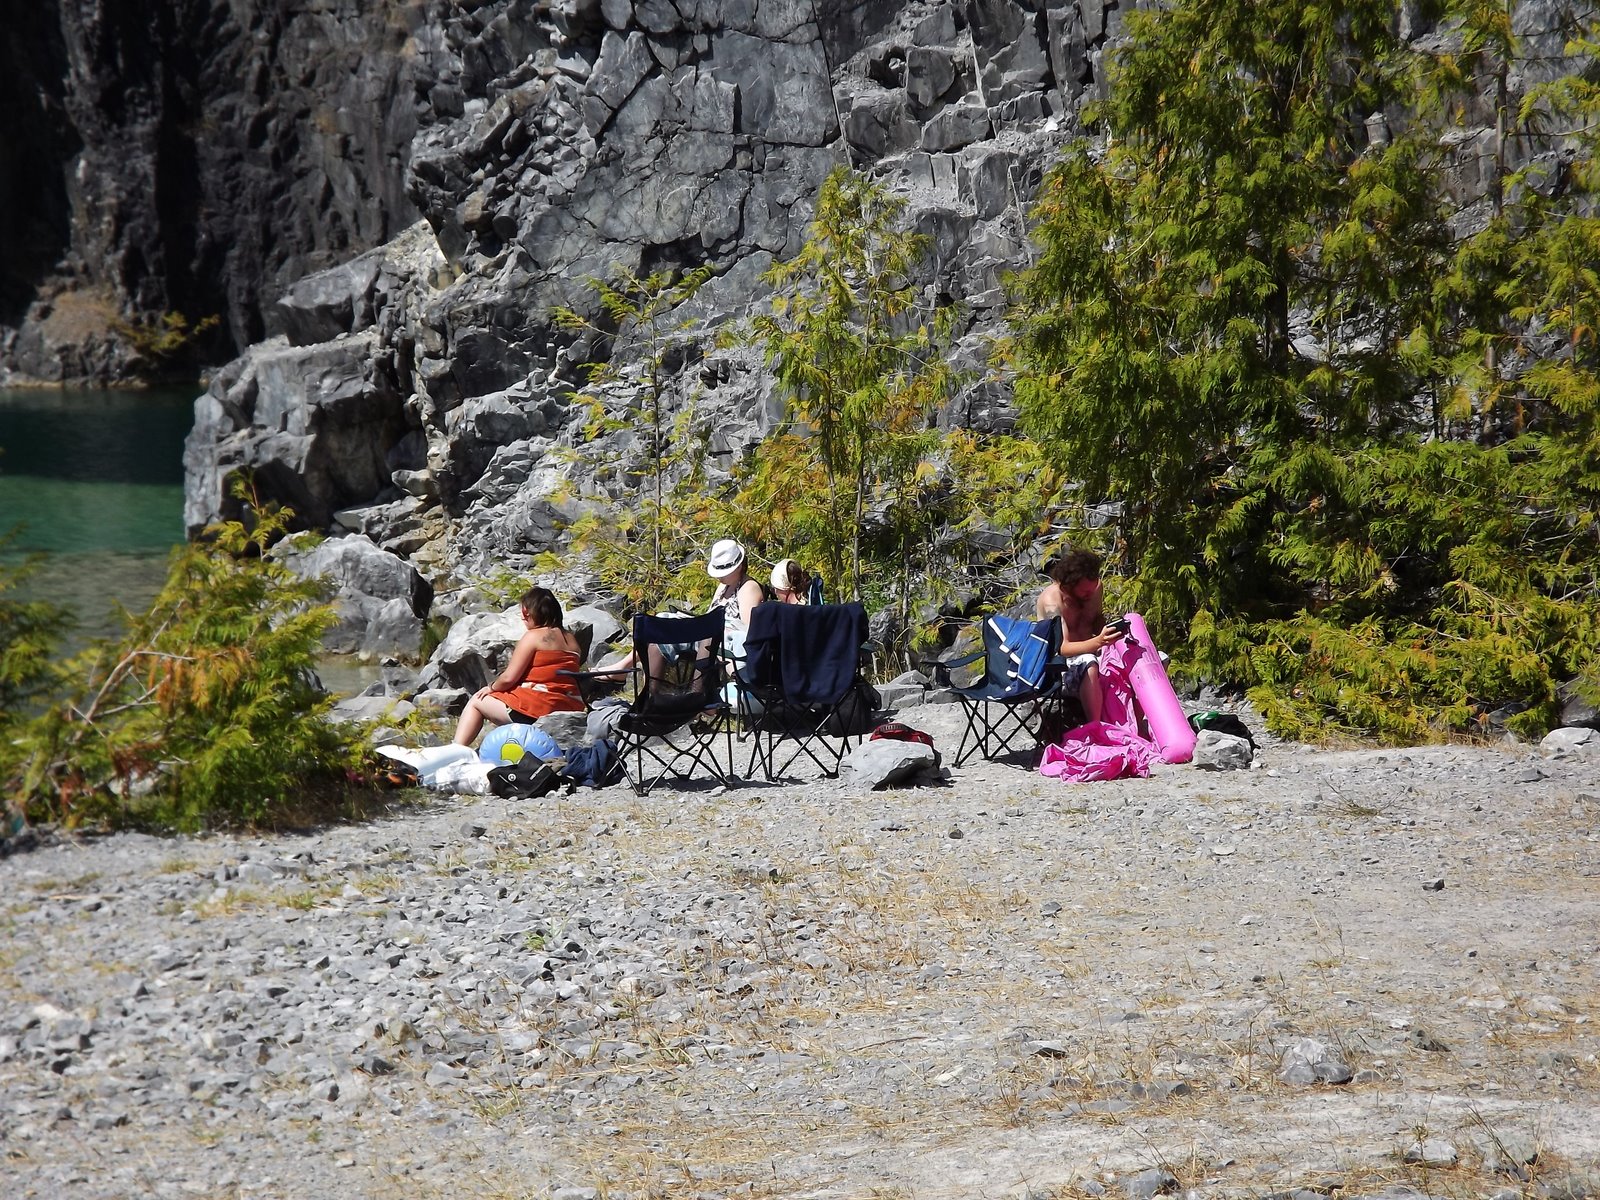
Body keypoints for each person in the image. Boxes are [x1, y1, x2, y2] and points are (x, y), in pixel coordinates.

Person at [453, 586, 584, 746]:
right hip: (567, 708)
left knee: (477, 701)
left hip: (536, 710)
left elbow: (508, 678)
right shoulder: (572, 641)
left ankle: (457, 750)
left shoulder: (533, 636)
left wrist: (491, 687)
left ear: (529, 614)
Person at [1040, 549, 1126, 724]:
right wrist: (1099, 641)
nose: (1090, 594)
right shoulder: (1052, 601)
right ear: (1069, 584)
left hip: (1095, 650)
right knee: (1089, 662)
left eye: (1092, 589)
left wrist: (1112, 633)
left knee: (1142, 655)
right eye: (1085, 591)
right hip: (1062, 666)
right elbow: (1061, 648)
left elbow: (1095, 619)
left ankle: (1140, 726)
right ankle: (1095, 727)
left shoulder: (1094, 588)